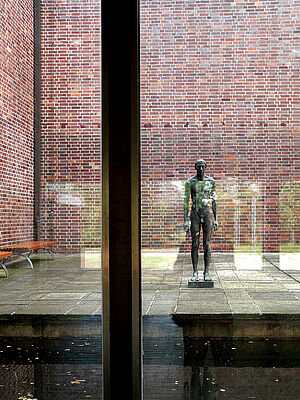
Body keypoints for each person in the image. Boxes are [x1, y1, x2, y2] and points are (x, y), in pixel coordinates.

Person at [184, 159, 218, 281]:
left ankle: (206, 272)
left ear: (205, 167)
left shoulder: (211, 182)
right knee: (195, 243)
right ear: (196, 168)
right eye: (199, 167)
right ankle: (194, 272)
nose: (201, 169)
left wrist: (216, 218)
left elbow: (214, 200)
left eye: (203, 167)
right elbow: (186, 202)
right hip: (195, 214)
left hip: (208, 213)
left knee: (207, 244)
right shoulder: (190, 182)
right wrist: (185, 220)